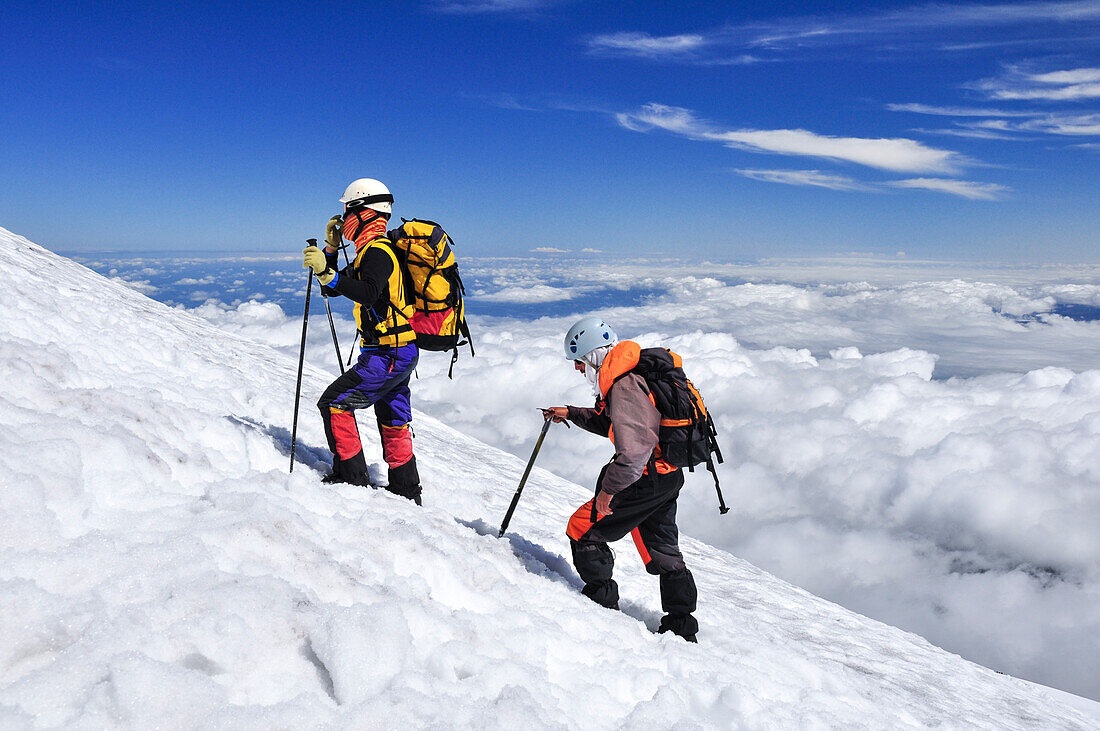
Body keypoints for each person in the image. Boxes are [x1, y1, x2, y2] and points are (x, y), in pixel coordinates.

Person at [544, 316, 699, 642]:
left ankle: (599, 604)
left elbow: (632, 452)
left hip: (641, 479)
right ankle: (682, 627)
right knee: (663, 551)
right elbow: (611, 423)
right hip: (666, 478)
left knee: (581, 529)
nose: (578, 370)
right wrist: (570, 413)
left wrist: (608, 494)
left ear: (592, 355)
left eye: (579, 362)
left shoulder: (625, 385)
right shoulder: (632, 374)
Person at [302, 178, 421, 505]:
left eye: (347, 212)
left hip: (388, 354)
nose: (344, 219)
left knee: (334, 403)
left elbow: (366, 291)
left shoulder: (378, 253)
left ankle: (350, 481)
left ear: (363, 212)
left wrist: (329, 274)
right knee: (393, 415)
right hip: (399, 349)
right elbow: (337, 287)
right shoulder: (372, 251)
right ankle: (407, 492)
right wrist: (330, 250)